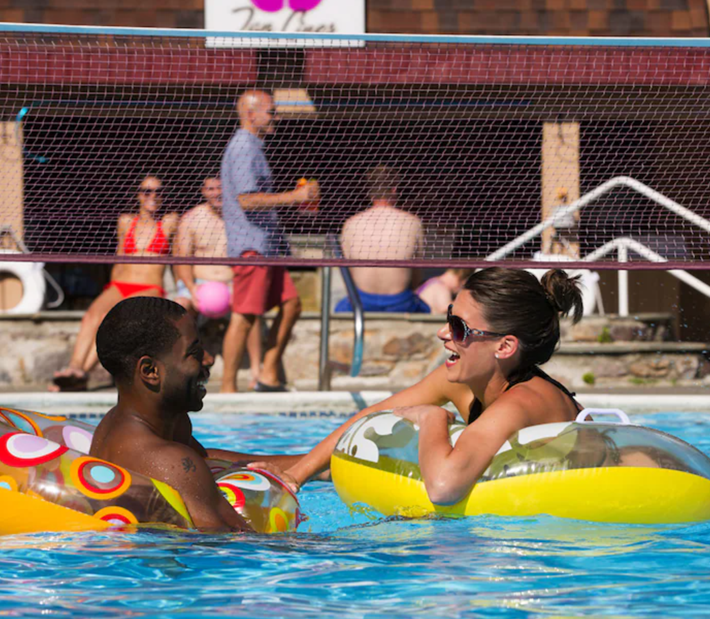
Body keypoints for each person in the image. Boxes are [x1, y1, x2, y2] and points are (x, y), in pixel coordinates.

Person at [270, 267, 586, 503]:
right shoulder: (466, 382)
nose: (443, 333)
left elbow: (444, 488)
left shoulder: (521, 403)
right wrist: (294, 477)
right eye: (449, 318)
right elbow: (372, 416)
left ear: (504, 347)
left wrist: (431, 418)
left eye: (459, 328)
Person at [91, 297, 303, 531]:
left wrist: (312, 464)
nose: (209, 359)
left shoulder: (121, 426)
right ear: (150, 370)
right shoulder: (171, 462)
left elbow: (204, 458)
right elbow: (240, 545)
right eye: (194, 352)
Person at [221, 89, 316, 393]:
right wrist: (294, 197)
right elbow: (247, 200)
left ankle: (268, 375)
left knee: (292, 305)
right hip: (252, 247)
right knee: (244, 317)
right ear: (251, 115)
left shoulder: (254, 147)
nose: (277, 117)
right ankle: (227, 389)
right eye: (272, 111)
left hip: (266, 246)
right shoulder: (243, 147)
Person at [51, 175, 177, 392]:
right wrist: (110, 290)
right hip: (120, 284)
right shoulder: (125, 222)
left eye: (159, 191)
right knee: (92, 316)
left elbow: (183, 251)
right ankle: (74, 367)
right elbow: (119, 257)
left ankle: (82, 374)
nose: (153, 196)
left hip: (149, 286)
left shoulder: (169, 222)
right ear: (138, 195)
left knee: (109, 321)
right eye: (147, 191)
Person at [172, 176, 264, 390]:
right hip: (197, 285)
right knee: (179, 308)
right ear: (203, 191)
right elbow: (181, 260)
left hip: (232, 285)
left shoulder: (240, 218)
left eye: (221, 188)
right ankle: (182, 368)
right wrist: (192, 289)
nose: (217, 193)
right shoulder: (191, 219)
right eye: (211, 189)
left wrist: (240, 285)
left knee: (251, 311)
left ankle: (257, 372)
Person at [337, 166, 428, 313]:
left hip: (361, 301)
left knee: (338, 308)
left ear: (370, 192)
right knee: (425, 309)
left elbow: (348, 273)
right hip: (400, 302)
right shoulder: (412, 223)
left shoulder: (351, 224)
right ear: (394, 189)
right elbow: (417, 273)